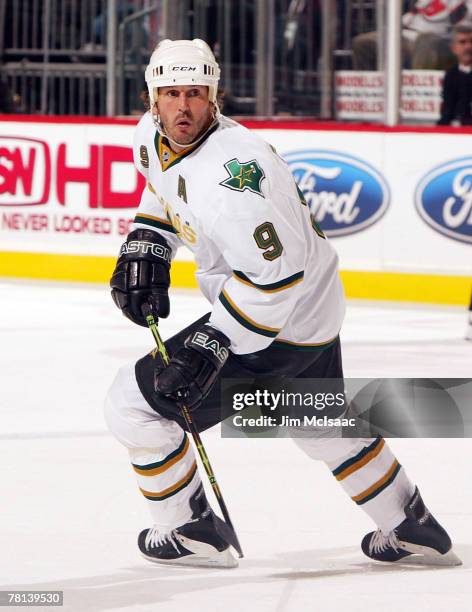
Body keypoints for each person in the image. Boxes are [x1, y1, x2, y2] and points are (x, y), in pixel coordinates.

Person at [104, 38, 461, 569]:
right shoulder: (151, 137)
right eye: (171, 93)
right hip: (315, 309)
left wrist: (212, 343)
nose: (183, 107)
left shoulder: (235, 177)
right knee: (313, 421)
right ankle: (407, 521)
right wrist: (148, 242)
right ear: (151, 97)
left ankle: (187, 531)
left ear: (215, 96)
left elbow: (274, 278)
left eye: (196, 93)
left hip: (278, 319)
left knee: (132, 407)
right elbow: (164, 189)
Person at [353, 0, 472, 71]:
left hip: (436, 39)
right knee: (362, 43)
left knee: (425, 40)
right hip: (406, 34)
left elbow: (463, 27)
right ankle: (368, 93)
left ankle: (417, 94)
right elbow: (411, 16)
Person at [437, 24, 472, 124]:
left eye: (471, 42)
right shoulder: (451, 75)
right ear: (454, 48)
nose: (468, 46)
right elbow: (447, 110)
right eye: (462, 42)